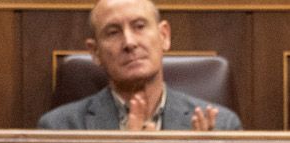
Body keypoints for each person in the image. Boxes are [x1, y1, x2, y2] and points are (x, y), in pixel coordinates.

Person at [38, 0, 241, 131]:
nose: (129, 42)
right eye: (113, 32)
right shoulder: (60, 128)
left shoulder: (221, 127)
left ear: (164, 36)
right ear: (95, 52)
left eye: (139, 27)